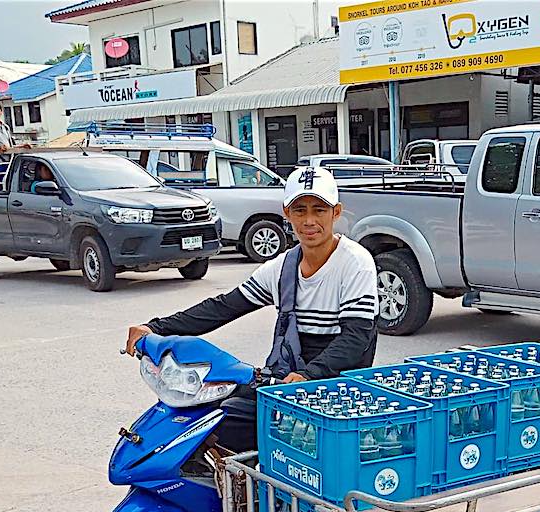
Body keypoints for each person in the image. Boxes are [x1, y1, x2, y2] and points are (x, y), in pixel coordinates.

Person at [125, 166, 379, 451]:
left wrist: (309, 375)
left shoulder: (355, 262)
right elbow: (223, 307)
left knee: (233, 425)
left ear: (336, 212)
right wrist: (156, 328)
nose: (309, 220)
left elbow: (356, 339)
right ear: (286, 213)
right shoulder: (282, 267)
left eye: (319, 210)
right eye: (300, 210)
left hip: (337, 389)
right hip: (287, 384)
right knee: (210, 417)